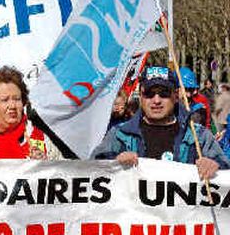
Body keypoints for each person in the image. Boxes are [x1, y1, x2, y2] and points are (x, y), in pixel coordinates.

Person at [93, 66, 230, 179]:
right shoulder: (119, 134)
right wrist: (114, 162)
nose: (156, 100)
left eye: (164, 93)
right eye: (149, 93)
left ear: (176, 96)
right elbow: (91, 170)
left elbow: (224, 172)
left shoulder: (199, 136)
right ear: (141, 95)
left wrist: (214, 165)